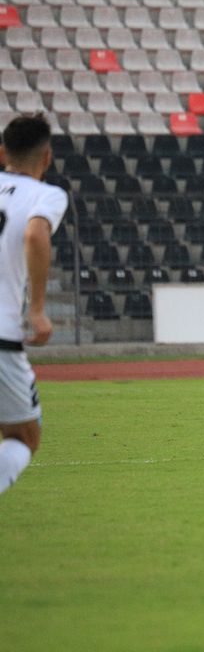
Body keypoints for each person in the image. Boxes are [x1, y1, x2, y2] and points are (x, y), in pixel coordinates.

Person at [0, 113, 69, 496]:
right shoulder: (47, 195)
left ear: (2, 153)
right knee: (23, 436)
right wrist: (38, 309)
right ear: (47, 158)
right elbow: (36, 234)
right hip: (2, 334)